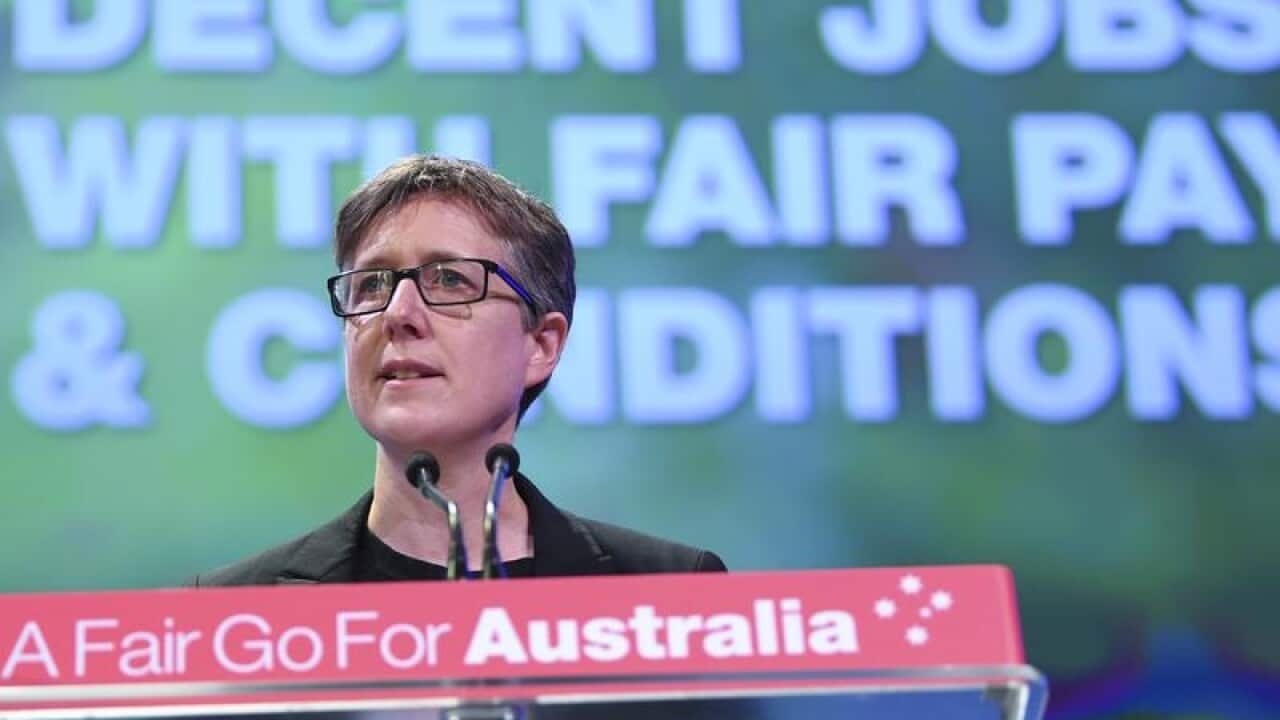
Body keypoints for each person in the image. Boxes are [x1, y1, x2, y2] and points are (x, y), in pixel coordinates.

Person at [190, 155, 725, 586]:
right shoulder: (232, 615)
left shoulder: (670, 592)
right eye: (372, 284)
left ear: (541, 344)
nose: (398, 313)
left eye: (448, 279)